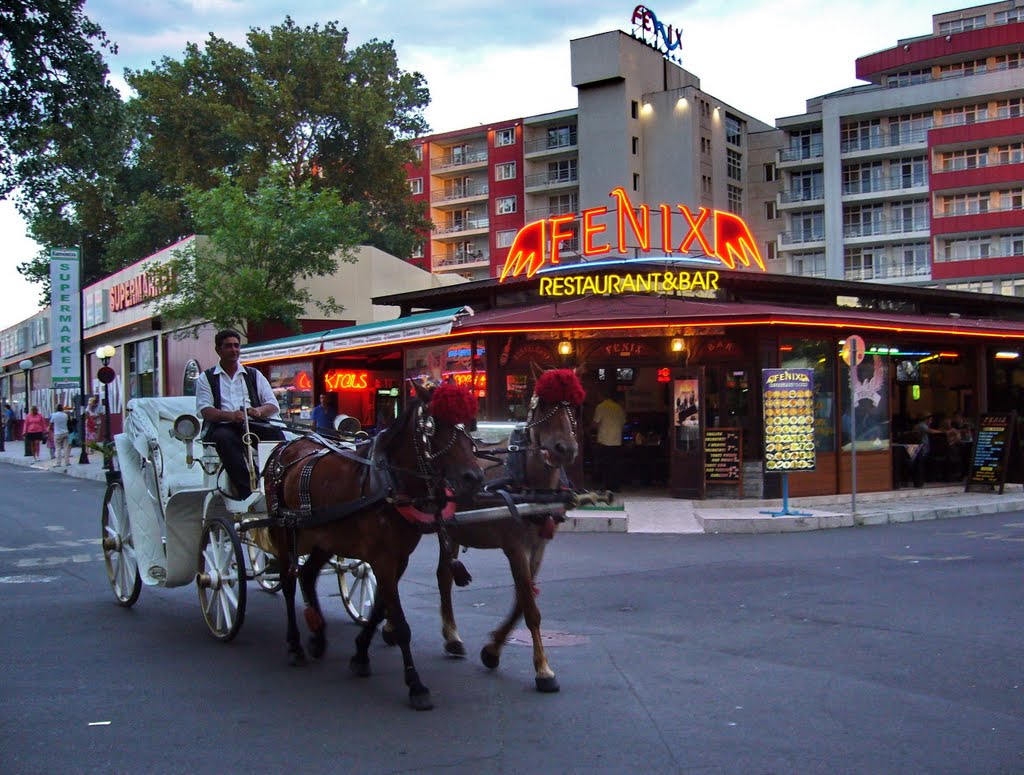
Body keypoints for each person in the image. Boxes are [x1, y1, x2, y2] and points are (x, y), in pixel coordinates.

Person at [195, 329, 284, 508]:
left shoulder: (253, 375)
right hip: (224, 425)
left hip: (253, 423)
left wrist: (258, 411)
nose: (234, 350)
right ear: (218, 350)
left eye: (236, 346)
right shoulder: (206, 378)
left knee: (277, 436)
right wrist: (231, 416)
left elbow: (273, 405)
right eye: (228, 346)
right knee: (224, 439)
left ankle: (278, 484)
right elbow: (206, 410)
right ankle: (247, 492)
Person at [592, 388, 626, 492]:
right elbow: (623, 423)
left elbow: (595, 423)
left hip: (604, 440)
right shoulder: (618, 408)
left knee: (603, 464)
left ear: (601, 395)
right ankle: (615, 486)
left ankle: (604, 486)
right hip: (616, 440)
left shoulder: (600, 407)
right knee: (615, 464)